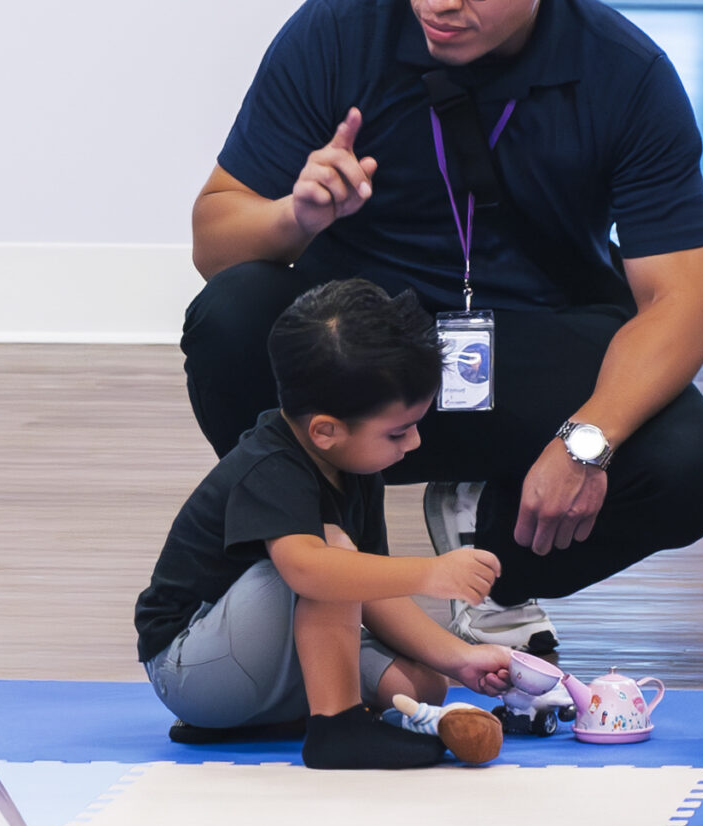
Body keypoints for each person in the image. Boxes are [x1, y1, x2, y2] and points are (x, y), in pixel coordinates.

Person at [182, 0, 703, 661]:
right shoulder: (338, 31)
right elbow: (214, 241)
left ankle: (491, 572)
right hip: (365, 340)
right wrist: (293, 216)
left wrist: (583, 439)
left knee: (690, 462)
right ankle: (333, 556)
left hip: (527, 342)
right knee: (231, 315)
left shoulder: (626, 76)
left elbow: (682, 303)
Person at [136, 279, 520, 770]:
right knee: (329, 552)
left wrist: (459, 658)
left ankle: (288, 718)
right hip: (191, 667)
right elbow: (311, 573)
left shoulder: (354, 467)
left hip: (255, 657)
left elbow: (372, 588)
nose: (416, 443)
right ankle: (336, 729)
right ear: (325, 430)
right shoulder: (270, 463)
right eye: (399, 431)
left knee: (423, 686)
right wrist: (430, 572)